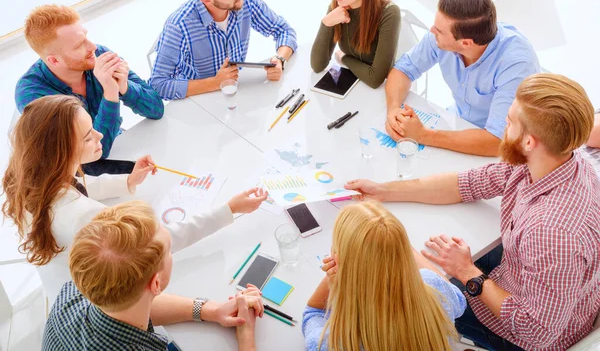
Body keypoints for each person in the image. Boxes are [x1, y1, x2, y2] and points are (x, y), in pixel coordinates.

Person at [346, 73, 600, 350]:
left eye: (509, 122)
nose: (503, 125)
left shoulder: (553, 235)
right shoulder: (560, 159)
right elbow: (469, 183)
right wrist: (384, 190)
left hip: (522, 335)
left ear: (529, 142)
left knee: (394, 278)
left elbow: (536, 332)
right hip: (520, 279)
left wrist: (466, 272)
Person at [1, 95, 267, 305]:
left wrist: (127, 181)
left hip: (56, 287)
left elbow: (80, 186)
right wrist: (229, 209)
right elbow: (157, 244)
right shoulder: (85, 217)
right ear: (63, 151)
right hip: (92, 301)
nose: (100, 136)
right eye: (88, 136)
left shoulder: (31, 177)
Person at [42, 201, 263, 351]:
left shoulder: (71, 293)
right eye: (169, 251)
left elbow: (135, 303)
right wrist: (246, 335)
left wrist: (211, 310)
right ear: (156, 283)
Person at [385, 0, 539, 157]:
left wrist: (423, 135)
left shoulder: (516, 65)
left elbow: (497, 142)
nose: (432, 30)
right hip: (457, 121)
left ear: (465, 43)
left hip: (495, 147)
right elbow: (403, 69)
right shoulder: (441, 37)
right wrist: (393, 109)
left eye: (439, 30)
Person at [302, 201, 466, 350]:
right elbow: (458, 299)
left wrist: (335, 278)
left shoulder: (333, 342)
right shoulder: (434, 288)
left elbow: (312, 314)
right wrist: (395, 248)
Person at [16, 4, 164, 161]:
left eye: (86, 36)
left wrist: (124, 87)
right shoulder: (34, 96)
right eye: (79, 45)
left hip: (118, 143)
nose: (92, 46)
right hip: (82, 173)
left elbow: (156, 109)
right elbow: (93, 156)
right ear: (54, 60)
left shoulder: (98, 54)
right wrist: (110, 92)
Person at [150, 0, 297, 100]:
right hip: (199, 101)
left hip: (236, 95)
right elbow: (158, 85)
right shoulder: (178, 26)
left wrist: (280, 60)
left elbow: (284, 31)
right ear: (206, 0)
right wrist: (215, 83)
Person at [310, 0, 400, 89]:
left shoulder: (389, 13)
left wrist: (344, 58)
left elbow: (375, 79)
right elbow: (317, 66)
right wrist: (326, 23)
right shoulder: (338, 5)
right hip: (351, 84)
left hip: (378, 93)